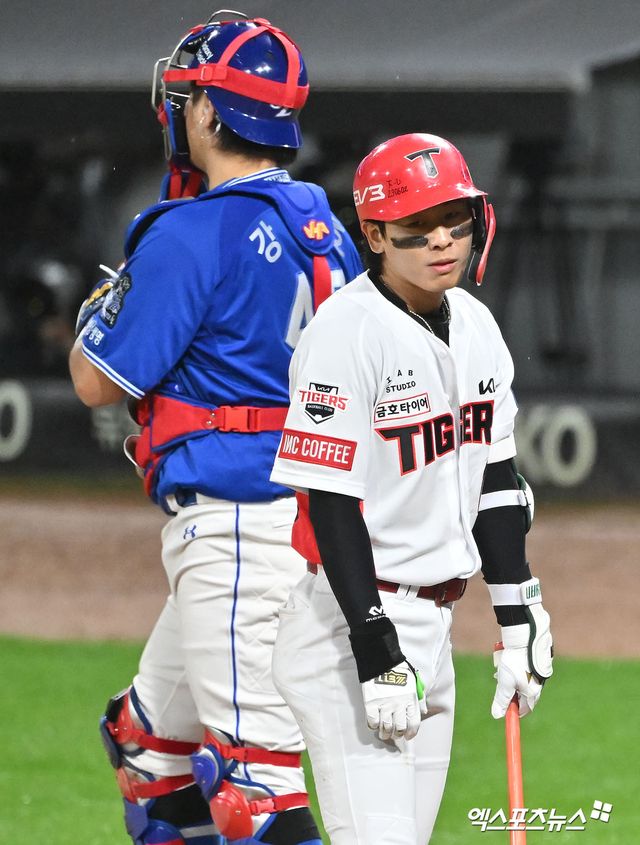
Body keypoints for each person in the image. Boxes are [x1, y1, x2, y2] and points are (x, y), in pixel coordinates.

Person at [69, 11, 361, 845]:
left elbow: (95, 380)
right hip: (311, 520)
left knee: (256, 790)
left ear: (205, 112)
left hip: (240, 529)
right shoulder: (327, 230)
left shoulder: (193, 231)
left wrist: (100, 305)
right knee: (147, 745)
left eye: (189, 94)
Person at [269, 133, 554, 844]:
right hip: (351, 628)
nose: (442, 240)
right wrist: (374, 646)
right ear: (373, 235)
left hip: (435, 629)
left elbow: (495, 481)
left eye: (454, 218)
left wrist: (518, 613)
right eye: (416, 226)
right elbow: (330, 504)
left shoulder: (478, 325)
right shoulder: (345, 332)